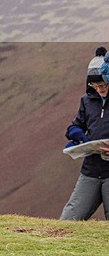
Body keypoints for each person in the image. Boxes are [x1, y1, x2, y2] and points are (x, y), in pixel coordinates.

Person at [60, 46, 109, 220]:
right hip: (91, 170)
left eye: (103, 85)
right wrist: (77, 134)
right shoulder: (87, 101)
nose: (100, 89)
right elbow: (75, 126)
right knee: (68, 220)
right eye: (95, 86)